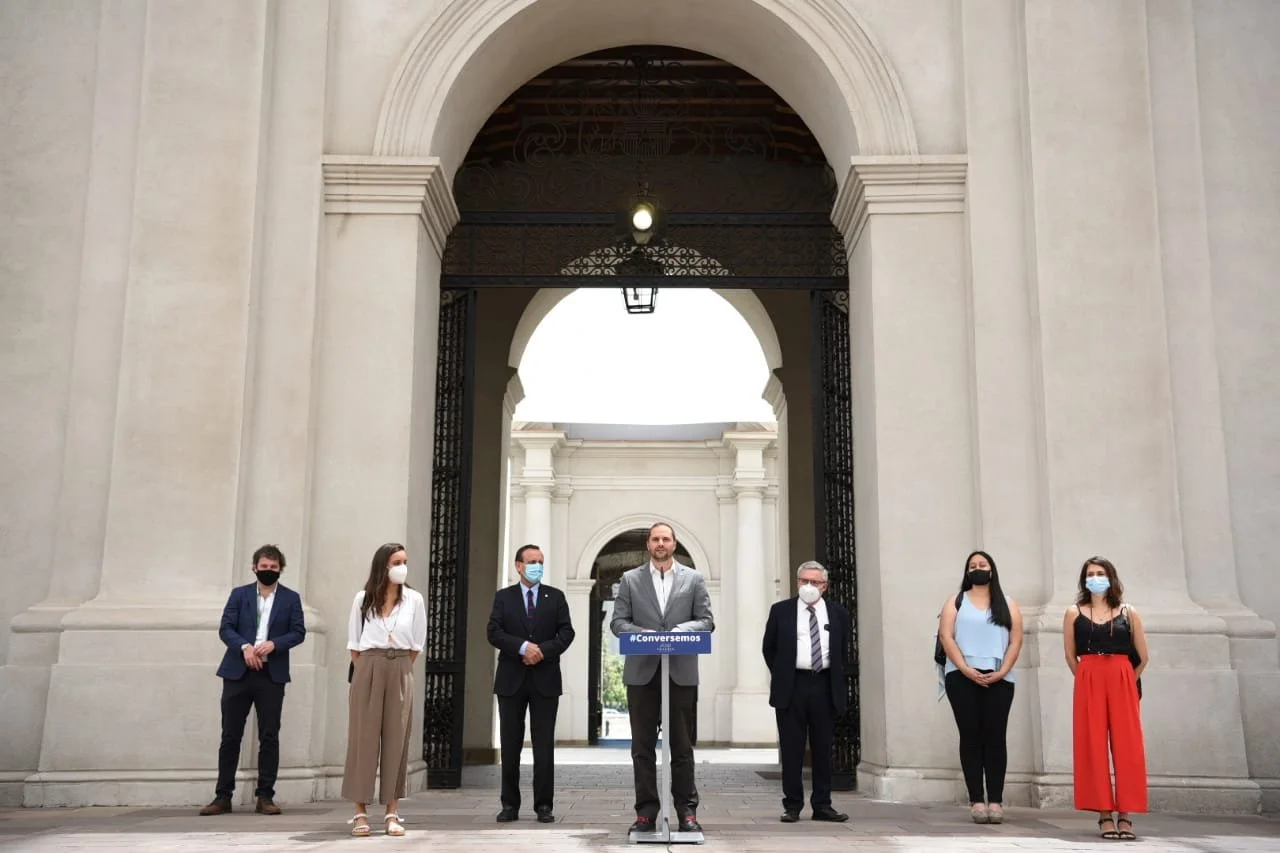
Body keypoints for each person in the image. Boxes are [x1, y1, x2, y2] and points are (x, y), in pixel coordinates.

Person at [610, 522, 714, 835]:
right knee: (642, 747)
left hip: (680, 672)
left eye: (665, 539)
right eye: (655, 538)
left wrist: (682, 630)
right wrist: (641, 633)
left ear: (674, 544)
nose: (660, 543)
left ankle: (687, 812)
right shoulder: (630, 580)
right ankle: (645, 813)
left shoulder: (693, 579)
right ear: (648, 544)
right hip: (642, 673)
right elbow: (618, 622)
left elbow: (707, 621)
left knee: (681, 747)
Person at [201, 545, 307, 816]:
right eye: (264, 566)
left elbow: (298, 632)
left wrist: (274, 644)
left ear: (280, 569)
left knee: (269, 736)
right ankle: (222, 796)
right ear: (254, 567)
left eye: (273, 567)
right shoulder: (239, 595)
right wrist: (245, 648)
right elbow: (226, 628)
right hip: (238, 673)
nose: (268, 571)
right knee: (230, 736)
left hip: (271, 676)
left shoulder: (291, 598)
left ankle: (265, 797)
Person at [486, 544, 576, 823]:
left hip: (545, 680)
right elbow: (494, 632)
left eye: (540, 561)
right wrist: (523, 647)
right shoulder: (504, 597)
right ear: (519, 566)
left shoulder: (556, 597)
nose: (537, 566)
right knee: (511, 745)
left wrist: (542, 651)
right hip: (511, 680)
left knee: (544, 745)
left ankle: (544, 805)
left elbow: (566, 632)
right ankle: (509, 804)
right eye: (531, 561)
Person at [343, 542, 428, 837]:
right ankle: (360, 812)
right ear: (383, 566)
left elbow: (417, 643)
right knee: (362, 740)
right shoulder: (362, 599)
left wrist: (398, 666)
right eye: (396, 561)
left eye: (405, 561)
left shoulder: (414, 600)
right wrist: (371, 667)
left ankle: (392, 812)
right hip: (368, 664)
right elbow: (354, 643)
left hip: (401, 665)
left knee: (396, 740)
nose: (402, 567)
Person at [1063, 556, 1148, 841]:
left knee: (1128, 745)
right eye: (1090, 573)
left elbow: (1143, 657)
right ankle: (1104, 813)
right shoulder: (1073, 612)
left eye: (1100, 573)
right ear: (1083, 579)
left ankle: (1126, 814)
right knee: (1092, 744)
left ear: (1111, 577)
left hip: (1123, 674)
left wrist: (1126, 679)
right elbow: (1069, 655)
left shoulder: (1129, 611)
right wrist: (1087, 677)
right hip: (1088, 675)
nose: (1095, 577)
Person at [761, 560, 852, 824]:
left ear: (825, 586)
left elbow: (841, 651)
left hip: (824, 685)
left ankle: (823, 804)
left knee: (823, 748)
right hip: (792, 686)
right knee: (792, 749)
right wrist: (783, 673)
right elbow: (769, 648)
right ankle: (792, 805)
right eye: (804, 581)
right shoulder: (781, 611)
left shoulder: (838, 614)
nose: (808, 586)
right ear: (797, 582)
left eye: (815, 582)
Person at [937, 550, 1023, 824]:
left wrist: (1003, 671)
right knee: (971, 736)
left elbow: (1015, 641)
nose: (977, 568)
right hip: (961, 676)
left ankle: (995, 801)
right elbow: (946, 636)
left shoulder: (1008, 603)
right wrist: (964, 668)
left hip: (999, 677)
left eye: (982, 564)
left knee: (995, 737)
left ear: (992, 569)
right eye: (972, 565)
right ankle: (976, 800)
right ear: (966, 572)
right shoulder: (956, 601)